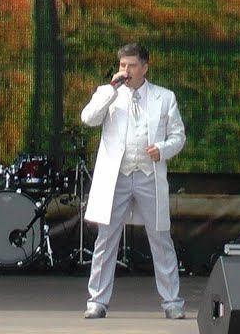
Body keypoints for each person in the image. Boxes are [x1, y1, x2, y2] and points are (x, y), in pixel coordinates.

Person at [80, 42, 187, 320]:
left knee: (161, 238)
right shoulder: (108, 93)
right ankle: (97, 300)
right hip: (117, 176)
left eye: (132, 65)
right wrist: (110, 90)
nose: (126, 70)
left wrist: (162, 149)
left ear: (145, 67)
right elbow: (88, 118)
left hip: (148, 175)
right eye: (122, 65)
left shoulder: (164, 97)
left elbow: (178, 136)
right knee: (106, 238)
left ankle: (172, 301)